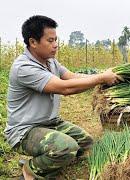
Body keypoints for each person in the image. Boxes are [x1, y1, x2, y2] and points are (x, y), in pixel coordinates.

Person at [4, 15, 122, 179]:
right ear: (33, 42)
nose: (55, 45)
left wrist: (102, 77)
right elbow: (65, 88)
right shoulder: (24, 67)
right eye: (50, 40)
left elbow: (72, 77)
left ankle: (51, 160)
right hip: (25, 131)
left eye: (56, 40)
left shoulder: (50, 61)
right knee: (66, 148)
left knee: (86, 143)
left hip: (51, 123)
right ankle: (30, 170)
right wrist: (101, 78)